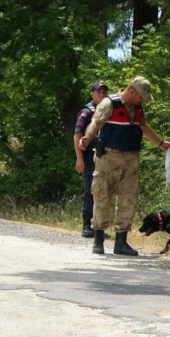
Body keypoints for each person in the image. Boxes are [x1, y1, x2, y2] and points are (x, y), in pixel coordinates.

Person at [79, 76, 170, 255]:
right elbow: (95, 123)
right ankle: (98, 240)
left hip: (131, 157)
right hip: (109, 157)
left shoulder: (137, 108)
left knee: (128, 198)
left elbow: (144, 127)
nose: (142, 100)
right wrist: (87, 137)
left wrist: (161, 143)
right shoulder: (109, 104)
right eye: (141, 97)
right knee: (102, 196)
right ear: (131, 92)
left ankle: (121, 242)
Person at [73, 81, 109, 238]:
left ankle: (99, 227)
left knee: (103, 191)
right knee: (90, 191)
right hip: (88, 157)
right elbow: (77, 135)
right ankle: (87, 225)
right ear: (92, 93)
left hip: (104, 157)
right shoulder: (87, 112)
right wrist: (79, 158)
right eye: (98, 92)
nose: (101, 94)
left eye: (104, 92)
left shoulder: (108, 110)